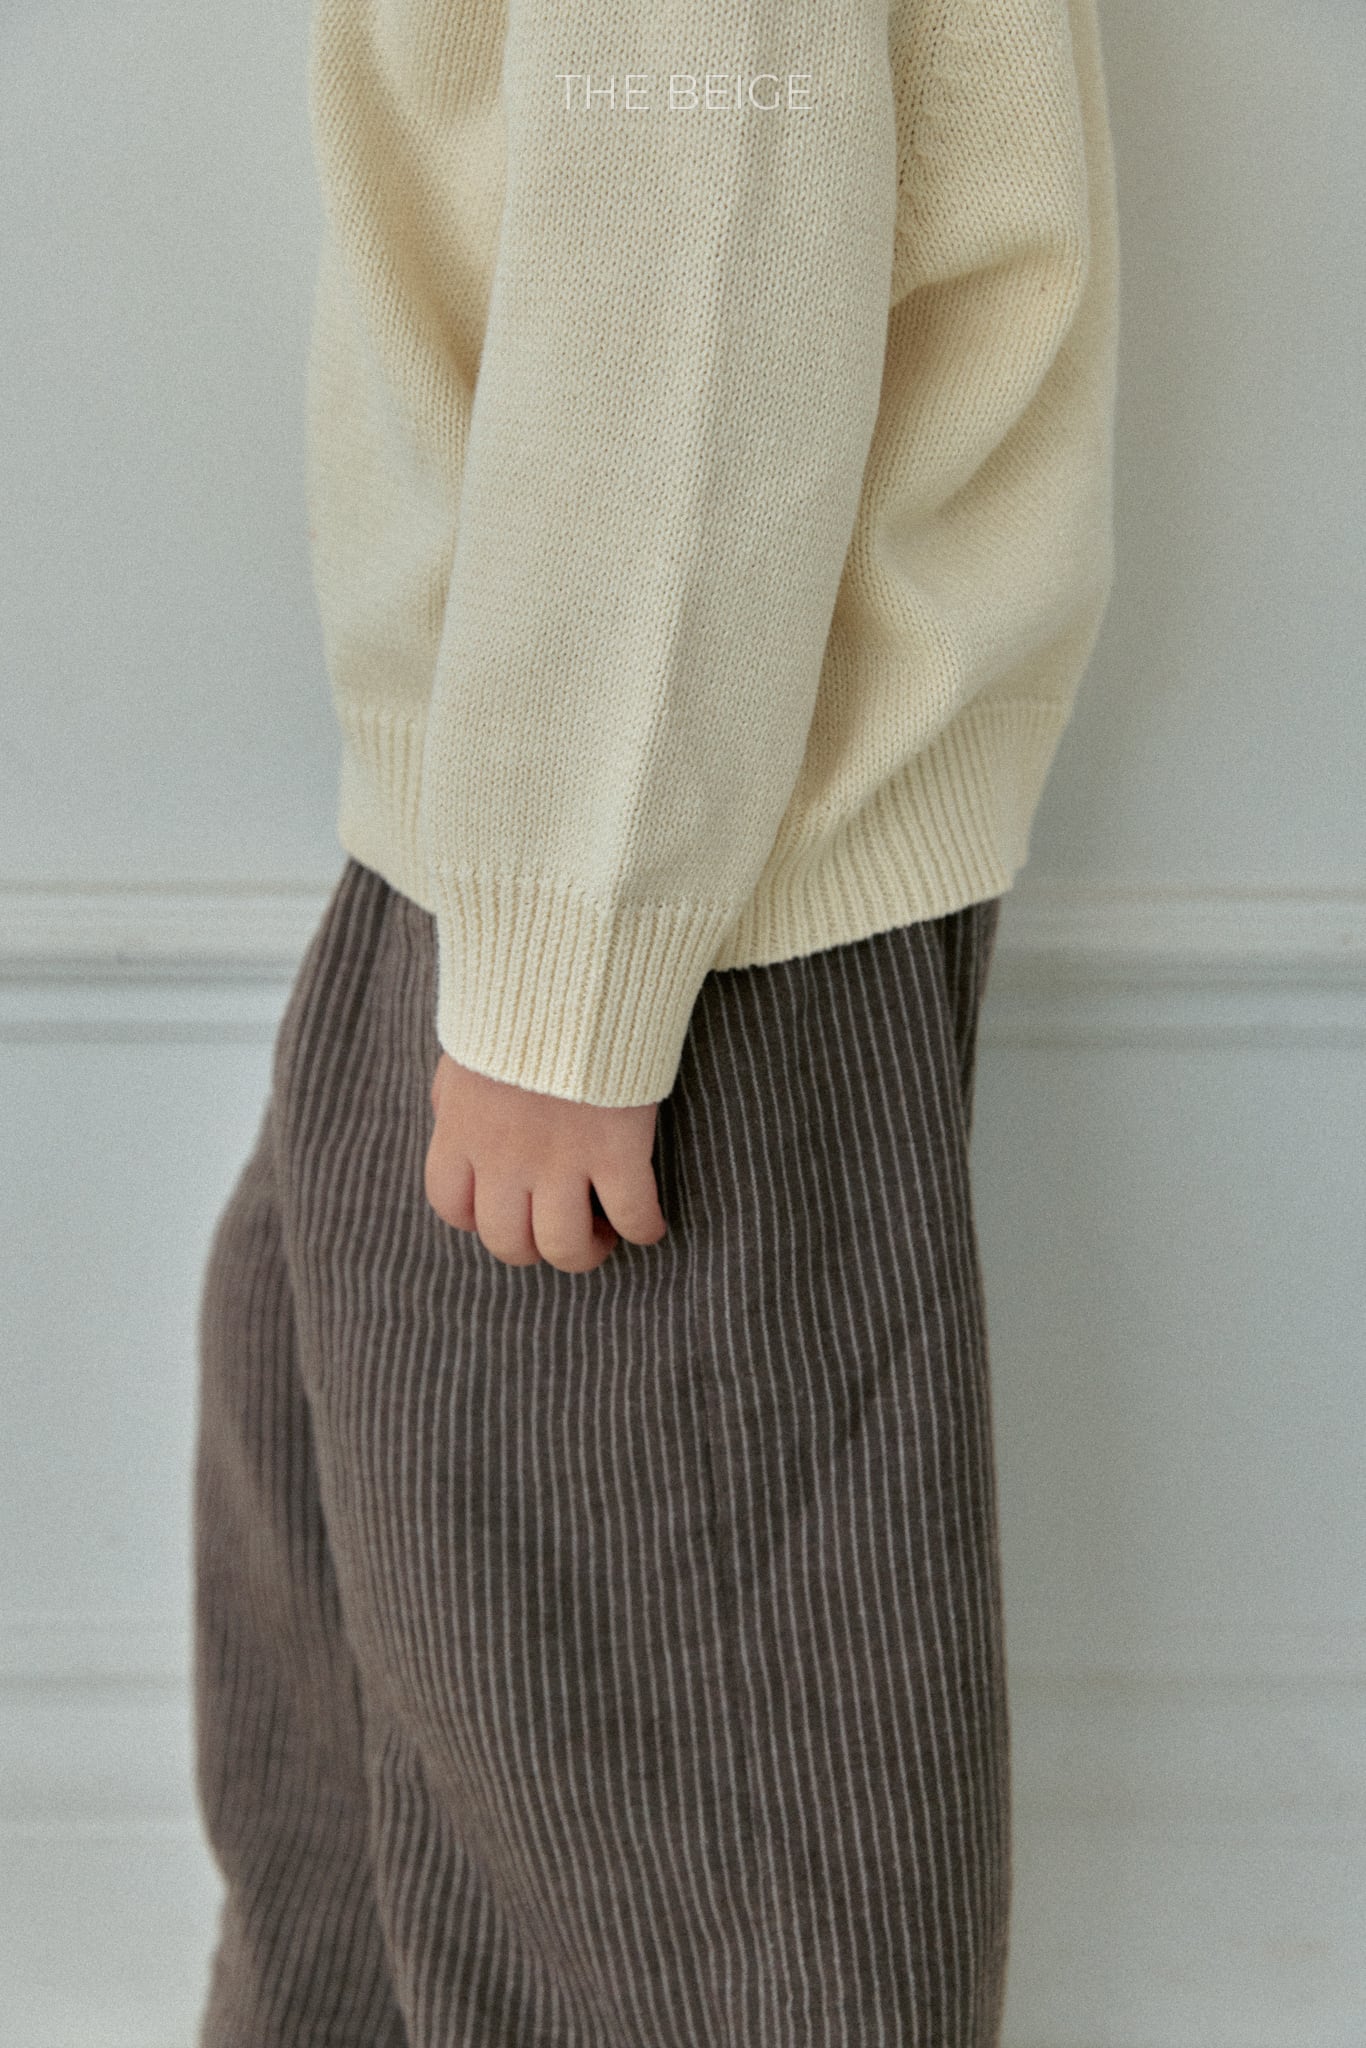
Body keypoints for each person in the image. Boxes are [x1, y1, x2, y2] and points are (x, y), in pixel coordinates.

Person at [191, 1, 1119, 2041]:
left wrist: (573, 958)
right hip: (534, 849)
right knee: (364, 1658)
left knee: (676, 1840)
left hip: (671, 910)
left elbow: (693, 290)